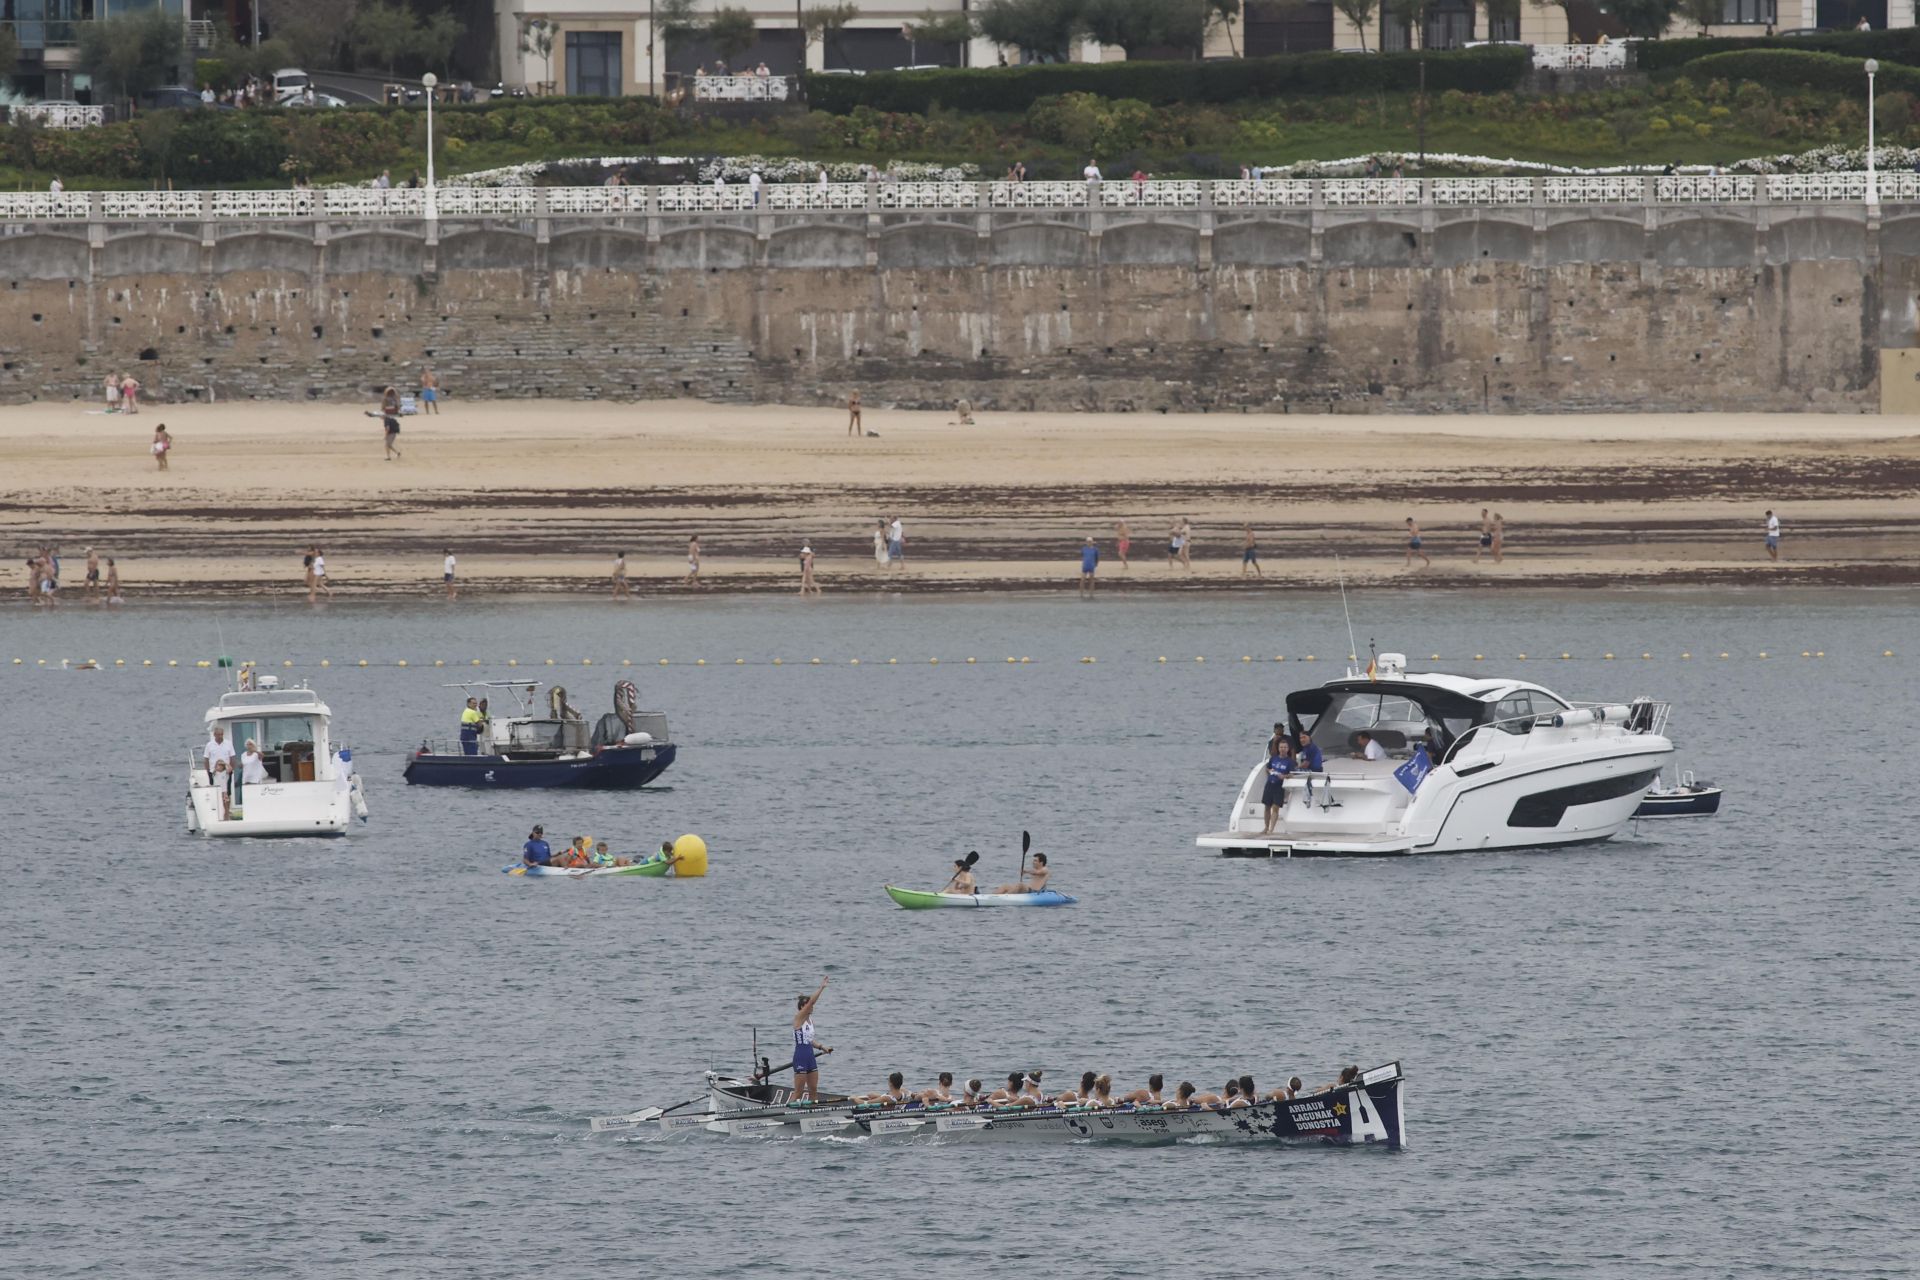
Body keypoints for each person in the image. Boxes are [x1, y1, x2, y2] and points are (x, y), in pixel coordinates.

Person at [792, 977, 831, 1104]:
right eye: (809, 1004)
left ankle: (812, 1113)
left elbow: (810, 1040)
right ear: (803, 1006)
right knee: (799, 1091)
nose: (812, 1006)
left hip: (810, 1057)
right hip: (800, 1056)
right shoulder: (798, 1019)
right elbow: (812, 1002)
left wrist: (821, 1047)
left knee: (813, 1090)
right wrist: (821, 988)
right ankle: (785, 1111)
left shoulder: (810, 1021)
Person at [1261, 738, 1294, 835]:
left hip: (1279, 786)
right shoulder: (1273, 758)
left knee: (1275, 807)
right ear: (1278, 748)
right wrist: (1270, 771)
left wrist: (1284, 776)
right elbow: (1268, 768)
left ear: (1288, 749)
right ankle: (1266, 827)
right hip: (1269, 784)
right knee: (1267, 806)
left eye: (1285, 747)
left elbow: (1292, 774)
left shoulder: (1290, 762)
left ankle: (1271, 829)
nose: (1283, 749)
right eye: (1281, 747)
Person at [204, 726, 236, 819]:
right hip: (214, 772)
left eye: (222, 734)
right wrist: (208, 772)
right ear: (214, 735)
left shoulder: (228, 744)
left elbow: (232, 757)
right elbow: (206, 759)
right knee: (216, 792)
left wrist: (231, 769)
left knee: (227, 792)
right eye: (218, 734)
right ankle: (216, 811)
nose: (220, 736)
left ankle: (226, 812)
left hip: (226, 772)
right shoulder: (209, 745)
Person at [1296, 729, 1327, 806]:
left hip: (1314, 771)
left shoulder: (1311, 748)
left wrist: (1294, 768)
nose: (1302, 740)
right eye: (1300, 738)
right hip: (1309, 769)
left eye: (1304, 737)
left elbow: (1306, 764)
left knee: (1290, 772)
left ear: (1309, 737)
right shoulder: (1306, 748)